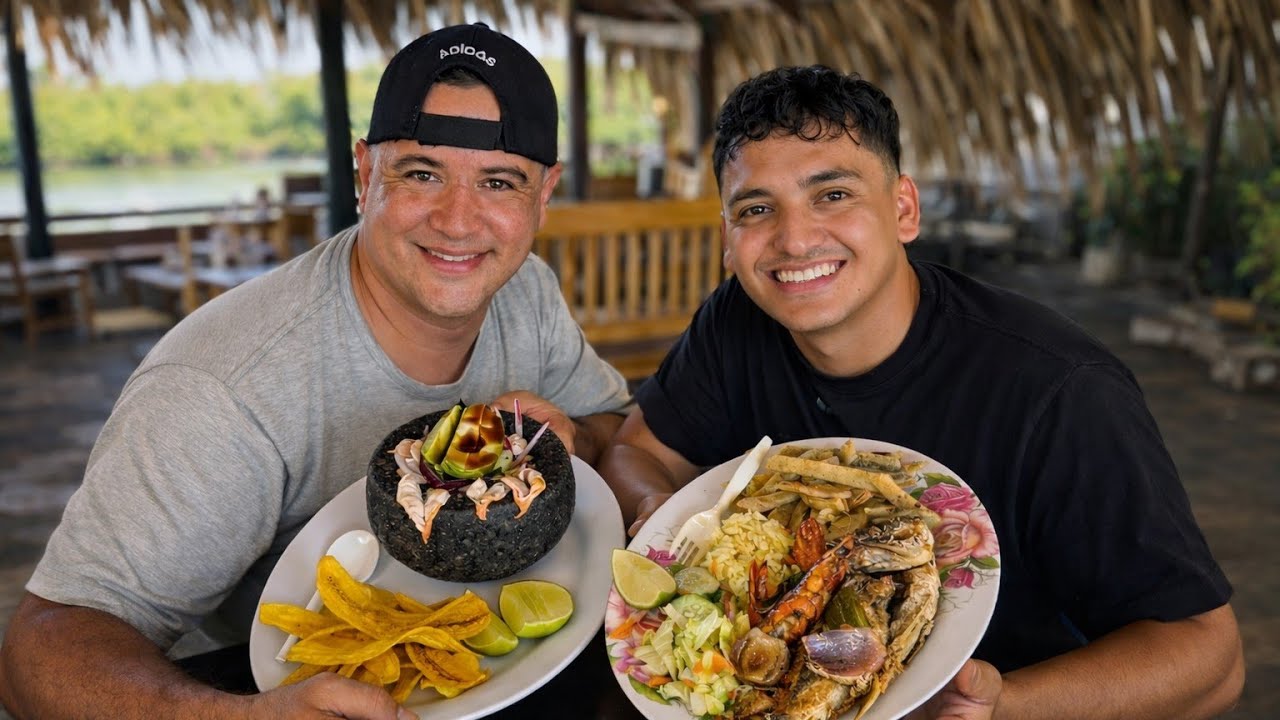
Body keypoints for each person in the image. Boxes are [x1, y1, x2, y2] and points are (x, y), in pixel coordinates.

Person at [0, 23, 631, 720]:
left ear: (543, 197)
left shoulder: (525, 290)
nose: (458, 220)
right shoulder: (223, 388)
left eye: (499, 182)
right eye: (421, 173)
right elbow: (37, 655)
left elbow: (609, 422)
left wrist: (575, 435)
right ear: (364, 175)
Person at [598, 66, 1244, 719]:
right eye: (757, 209)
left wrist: (1006, 705)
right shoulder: (737, 319)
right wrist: (668, 522)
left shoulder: (1060, 390)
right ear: (729, 241)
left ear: (904, 209)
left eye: (833, 195)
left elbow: (1209, 658)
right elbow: (635, 450)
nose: (794, 240)